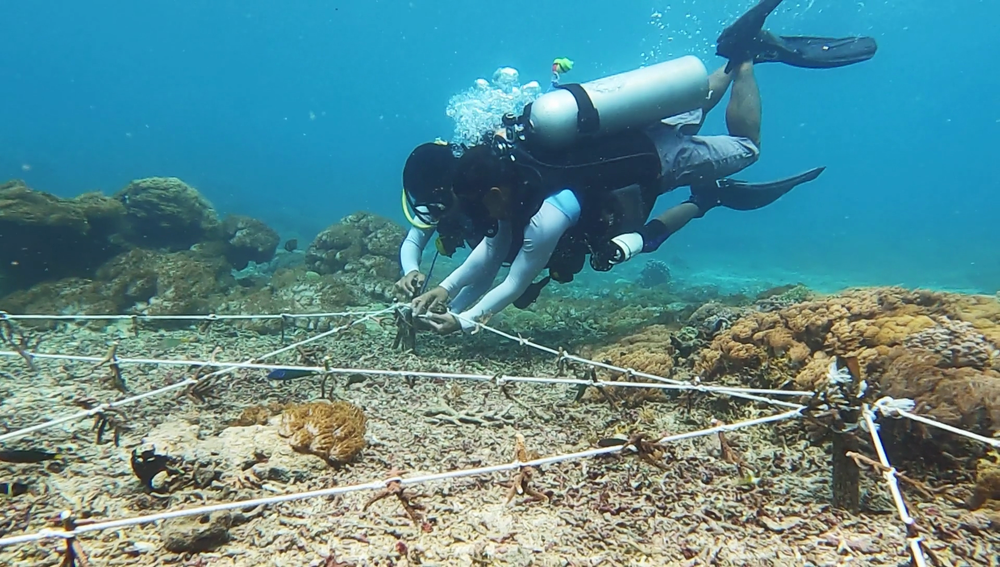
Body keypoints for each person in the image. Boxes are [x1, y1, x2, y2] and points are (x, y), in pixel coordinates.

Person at [402, 0, 877, 335]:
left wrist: (463, 321)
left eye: (479, 206)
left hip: (659, 160)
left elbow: (515, 278)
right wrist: (443, 290)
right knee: (697, 99)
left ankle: (748, 60)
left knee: (746, 148)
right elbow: (492, 251)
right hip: (637, 124)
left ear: (493, 193)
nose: (480, 218)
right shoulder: (517, 168)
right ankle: (731, 58)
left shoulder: (548, 213)